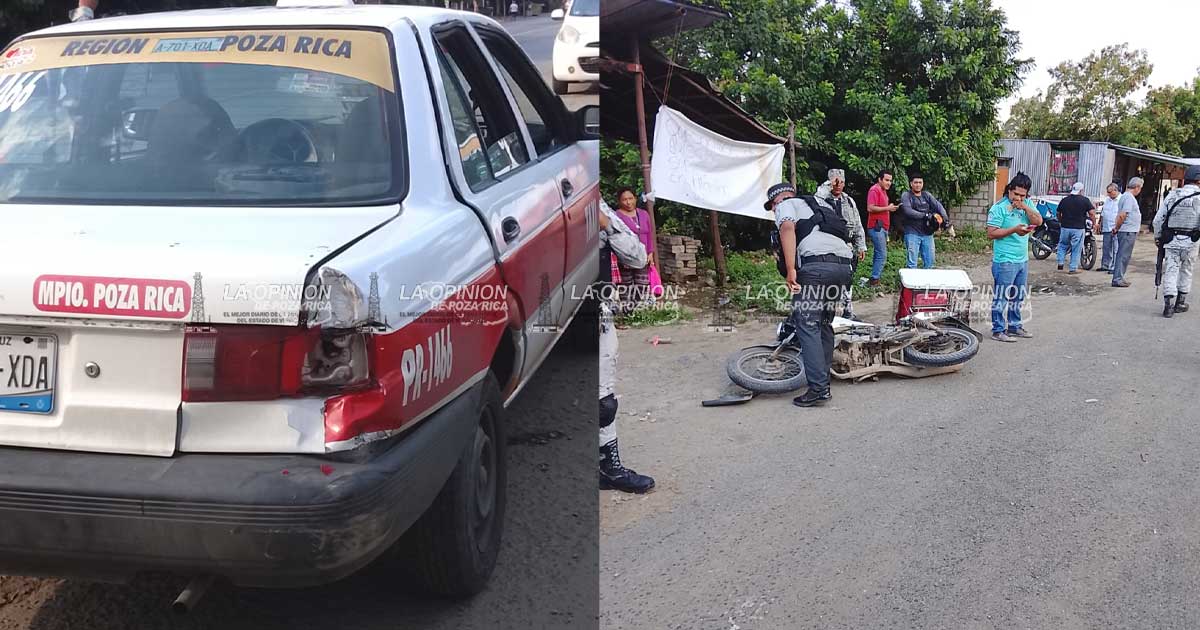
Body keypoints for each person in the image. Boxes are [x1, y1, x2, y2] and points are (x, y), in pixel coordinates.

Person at [766, 182, 854, 407]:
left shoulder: (787, 205)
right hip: (843, 268)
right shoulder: (820, 204)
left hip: (816, 269)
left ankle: (818, 389)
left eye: (773, 206)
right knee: (824, 323)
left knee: (807, 325)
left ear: (779, 200)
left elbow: (786, 229)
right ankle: (823, 380)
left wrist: (791, 269)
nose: (774, 211)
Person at [598, 200, 654, 493]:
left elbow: (637, 256)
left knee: (603, 401)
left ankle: (609, 468)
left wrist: (605, 224)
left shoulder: (598, 208)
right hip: (550, 315)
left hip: (595, 316)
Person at [986, 171, 1043, 342]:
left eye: (1022, 195)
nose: (1018, 198)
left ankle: (1014, 326)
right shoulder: (999, 208)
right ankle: (997, 330)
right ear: (1009, 190)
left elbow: (1039, 221)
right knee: (1002, 296)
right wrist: (1014, 230)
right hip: (1004, 260)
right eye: (1015, 194)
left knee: (1018, 295)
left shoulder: (1027, 204)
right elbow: (991, 233)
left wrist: (1025, 206)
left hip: (1022, 259)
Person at [816, 168, 866, 318]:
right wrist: (828, 184)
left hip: (847, 246)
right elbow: (817, 197)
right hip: (827, 246)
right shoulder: (822, 200)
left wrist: (861, 245)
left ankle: (847, 311)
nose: (838, 185)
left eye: (841, 182)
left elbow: (857, 224)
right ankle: (827, 313)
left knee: (848, 279)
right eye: (835, 183)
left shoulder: (849, 201)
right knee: (828, 280)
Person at [1152, 165, 1200, 318]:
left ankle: (1168, 306)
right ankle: (1180, 303)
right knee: (1187, 270)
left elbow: (1158, 220)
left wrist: (1158, 237)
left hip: (1171, 240)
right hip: (1192, 241)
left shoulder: (1172, 195)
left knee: (1171, 270)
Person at [611, 187, 655, 310]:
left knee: (642, 284)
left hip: (643, 256)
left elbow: (649, 234)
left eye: (631, 198)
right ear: (619, 201)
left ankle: (633, 308)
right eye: (624, 199)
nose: (628, 202)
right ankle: (627, 311)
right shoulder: (616, 216)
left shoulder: (644, 214)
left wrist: (650, 252)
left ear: (635, 198)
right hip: (626, 256)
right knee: (626, 285)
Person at [899, 173, 950, 269]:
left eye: (920, 182)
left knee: (930, 261)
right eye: (915, 182)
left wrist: (945, 220)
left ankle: (927, 283)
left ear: (923, 184)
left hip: (927, 233)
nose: (918, 185)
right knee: (912, 263)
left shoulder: (927, 195)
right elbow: (908, 211)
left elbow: (938, 206)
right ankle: (910, 283)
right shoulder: (906, 195)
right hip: (912, 232)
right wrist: (925, 215)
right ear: (911, 184)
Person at [1054, 182, 1098, 274]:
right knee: (1076, 248)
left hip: (1065, 227)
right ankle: (1073, 268)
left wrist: (1061, 221)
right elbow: (1092, 213)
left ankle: (1060, 264)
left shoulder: (1065, 200)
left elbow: (1058, 213)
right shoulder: (1085, 200)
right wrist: (1094, 223)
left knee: (1062, 245)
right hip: (1078, 228)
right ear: (1081, 190)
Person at [865, 169, 899, 286]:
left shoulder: (883, 191)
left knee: (878, 253)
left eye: (890, 180)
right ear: (879, 179)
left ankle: (874, 277)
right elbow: (870, 208)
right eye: (886, 180)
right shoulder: (874, 190)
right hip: (876, 227)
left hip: (882, 227)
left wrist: (889, 207)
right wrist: (888, 208)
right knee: (882, 254)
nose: (889, 183)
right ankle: (875, 280)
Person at [1111, 176, 1144, 288]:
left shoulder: (1125, 197)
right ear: (1137, 187)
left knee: (1123, 254)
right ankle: (1118, 278)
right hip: (1127, 231)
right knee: (1123, 255)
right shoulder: (1129, 197)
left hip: (1127, 230)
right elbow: (1122, 215)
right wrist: (1117, 227)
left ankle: (1119, 277)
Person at [1097, 182, 1121, 273]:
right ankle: (1105, 265)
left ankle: (1114, 267)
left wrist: (1118, 227)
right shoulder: (1107, 200)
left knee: (1116, 249)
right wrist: (1100, 223)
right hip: (1107, 227)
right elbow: (1103, 213)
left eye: (1110, 192)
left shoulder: (1121, 200)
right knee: (1106, 248)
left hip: (1116, 228)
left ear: (1115, 190)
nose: (1108, 194)